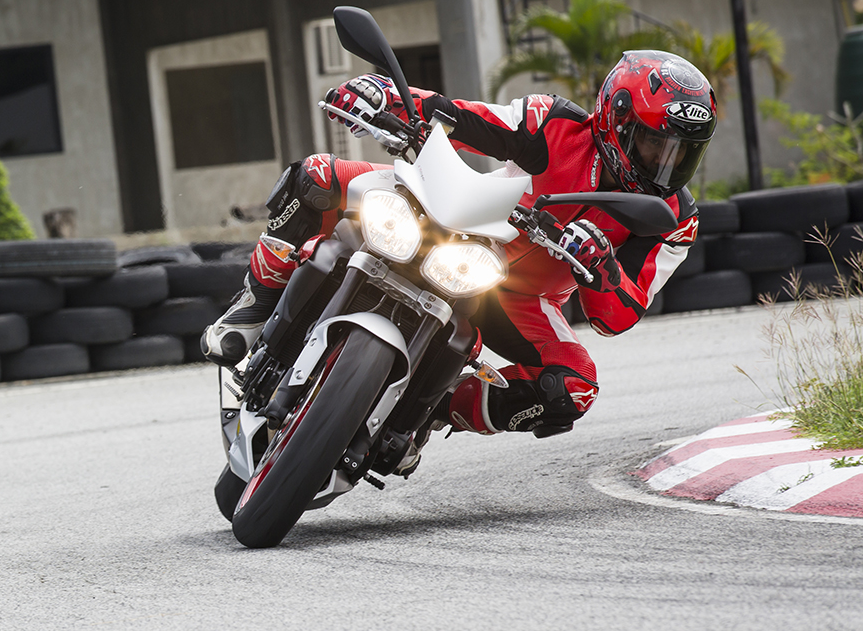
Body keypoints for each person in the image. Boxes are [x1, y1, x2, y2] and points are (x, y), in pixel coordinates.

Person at [201, 49, 716, 439]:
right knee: (316, 175)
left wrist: (602, 269)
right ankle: (253, 305)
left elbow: (616, 318)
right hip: (461, 225)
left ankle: (430, 408)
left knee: (574, 386)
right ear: (616, 120)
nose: (664, 163)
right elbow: (461, 117)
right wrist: (385, 96)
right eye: (655, 143)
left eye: (681, 152)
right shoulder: (554, 124)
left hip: (519, 299)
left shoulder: (674, 218)